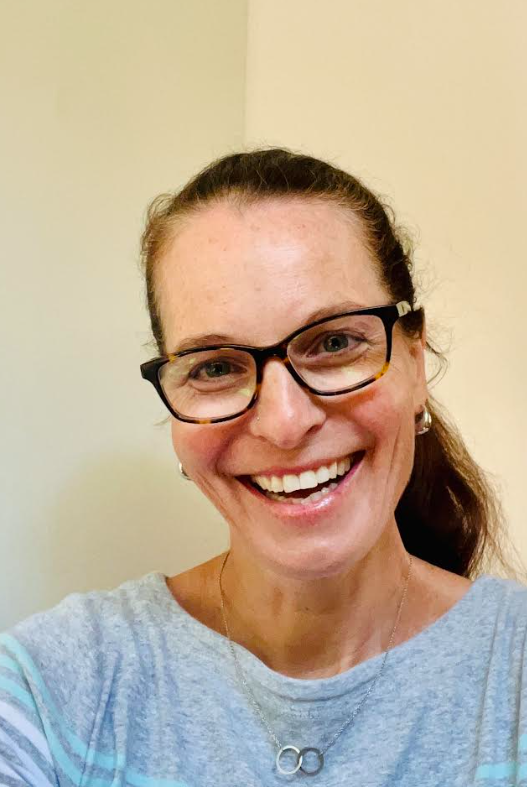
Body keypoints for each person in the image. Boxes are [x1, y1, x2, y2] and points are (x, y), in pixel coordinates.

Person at [1, 148, 526, 786]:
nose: (284, 422)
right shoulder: (54, 686)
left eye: (334, 342)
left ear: (415, 363)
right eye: (216, 367)